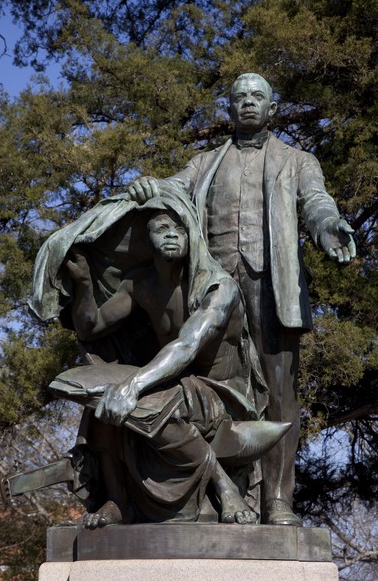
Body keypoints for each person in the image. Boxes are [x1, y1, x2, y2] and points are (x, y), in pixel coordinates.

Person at [128, 73, 356, 526]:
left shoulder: (297, 160)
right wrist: (148, 186)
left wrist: (328, 227)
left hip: (272, 286)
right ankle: (210, 497)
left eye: (258, 97)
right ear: (228, 109)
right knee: (204, 386)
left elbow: (316, 201)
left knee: (278, 393)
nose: (249, 103)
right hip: (212, 288)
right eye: (240, 97)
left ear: (273, 109)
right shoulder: (203, 162)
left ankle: (277, 499)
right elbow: (169, 191)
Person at [62, 203, 283, 528]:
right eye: (160, 229)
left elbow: (187, 345)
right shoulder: (140, 284)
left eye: (177, 229)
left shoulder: (218, 288)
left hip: (221, 393)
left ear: (192, 234)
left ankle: (222, 487)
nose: (170, 235)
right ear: (146, 239)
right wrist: (82, 284)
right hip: (173, 382)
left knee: (152, 398)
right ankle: (118, 501)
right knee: (102, 398)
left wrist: (134, 385)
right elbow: (90, 327)